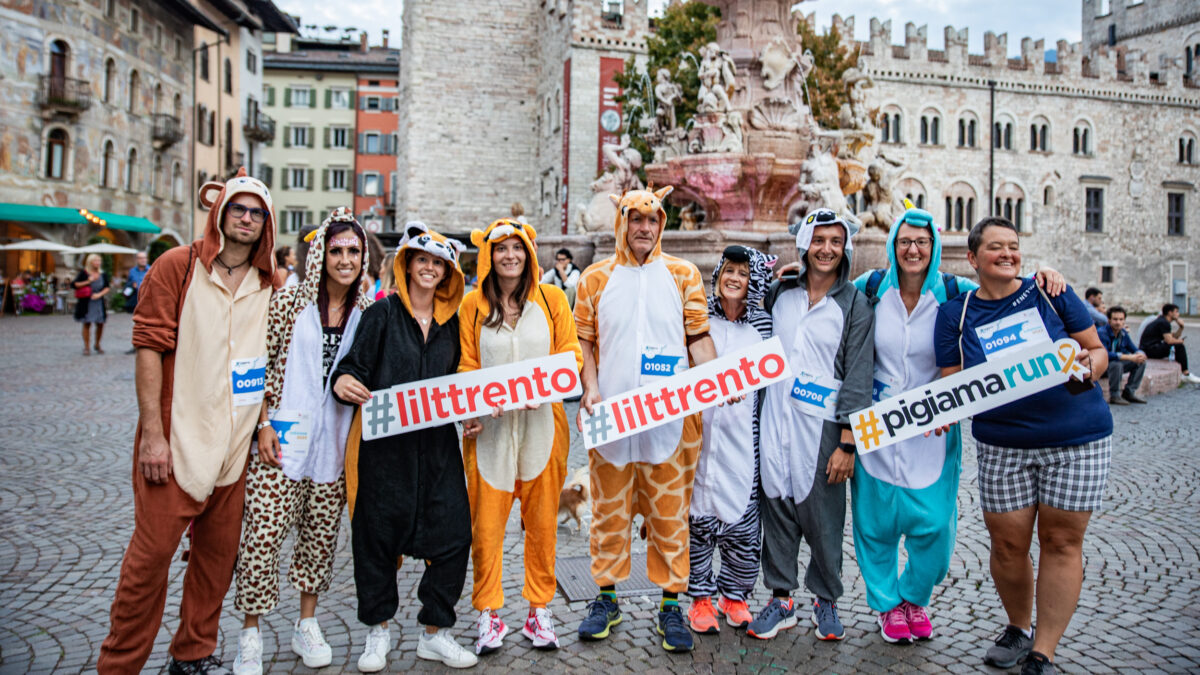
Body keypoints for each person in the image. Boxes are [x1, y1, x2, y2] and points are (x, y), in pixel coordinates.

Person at [850, 206, 1065, 645]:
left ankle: (914, 595)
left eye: (922, 242)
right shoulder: (870, 288)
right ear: (893, 245)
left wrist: (1043, 275)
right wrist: (793, 277)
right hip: (876, 423)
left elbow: (1000, 290)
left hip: (933, 422)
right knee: (874, 524)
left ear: (933, 247)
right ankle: (889, 606)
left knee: (934, 523)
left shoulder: (954, 291)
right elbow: (827, 291)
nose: (913, 249)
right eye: (905, 241)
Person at [97, 168, 278, 675]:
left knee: (216, 564)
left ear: (267, 224)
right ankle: (119, 665)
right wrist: (152, 437)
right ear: (220, 213)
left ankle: (193, 654)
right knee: (148, 564)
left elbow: (268, 361)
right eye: (238, 209)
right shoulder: (177, 266)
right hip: (175, 444)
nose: (246, 218)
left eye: (256, 212)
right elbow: (149, 346)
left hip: (234, 451)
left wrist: (263, 421)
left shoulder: (272, 283)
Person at [935, 216, 1112, 675]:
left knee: (1061, 541)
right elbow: (952, 384)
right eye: (995, 247)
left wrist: (1085, 370)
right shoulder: (955, 314)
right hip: (1003, 445)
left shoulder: (1050, 292)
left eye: (1013, 246)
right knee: (1008, 546)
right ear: (972, 258)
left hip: (1076, 438)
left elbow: (1096, 350)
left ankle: (1043, 651)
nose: (1007, 254)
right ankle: (1018, 626)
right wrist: (940, 413)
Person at [573, 186, 721, 654]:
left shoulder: (682, 274)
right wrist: (590, 387)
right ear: (621, 222)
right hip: (611, 419)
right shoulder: (595, 278)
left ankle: (671, 605)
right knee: (608, 512)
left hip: (668, 424)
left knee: (669, 514)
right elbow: (584, 342)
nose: (645, 228)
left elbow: (698, 336)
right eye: (635, 219)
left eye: (653, 220)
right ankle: (607, 597)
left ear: (661, 224)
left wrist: (718, 378)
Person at [331, 222, 477, 671]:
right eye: (423, 261)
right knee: (375, 539)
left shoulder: (453, 323)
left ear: (448, 271)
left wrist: (471, 410)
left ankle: (435, 631)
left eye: (438, 263)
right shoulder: (382, 314)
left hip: (436, 450)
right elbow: (351, 367)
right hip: (384, 452)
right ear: (407, 265)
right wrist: (346, 382)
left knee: (454, 536)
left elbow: (463, 381)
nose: (430, 268)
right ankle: (377, 632)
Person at [230, 208, 372, 675]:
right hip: (280, 439)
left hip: (335, 444)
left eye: (353, 250)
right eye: (336, 250)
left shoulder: (368, 314)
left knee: (319, 539)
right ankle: (250, 634)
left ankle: (305, 624)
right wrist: (261, 424)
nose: (345, 259)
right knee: (262, 536)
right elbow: (254, 364)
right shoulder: (289, 303)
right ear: (320, 256)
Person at [748, 208, 874, 643]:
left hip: (822, 426)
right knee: (777, 505)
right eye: (818, 241)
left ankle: (826, 599)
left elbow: (859, 374)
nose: (826, 250)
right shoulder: (780, 294)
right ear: (804, 245)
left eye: (835, 242)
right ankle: (780, 598)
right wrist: (777, 274)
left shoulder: (855, 304)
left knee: (823, 514)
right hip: (775, 415)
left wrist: (848, 442)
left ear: (846, 249)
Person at [458, 218, 583, 655]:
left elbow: (571, 352)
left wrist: (545, 386)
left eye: (516, 248)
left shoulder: (550, 299)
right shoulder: (472, 304)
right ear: (488, 256)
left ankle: (539, 610)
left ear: (529, 254)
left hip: (541, 429)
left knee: (543, 524)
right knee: (486, 528)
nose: (509, 255)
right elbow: (466, 363)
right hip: (489, 432)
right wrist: (471, 406)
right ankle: (488, 613)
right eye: (500, 249)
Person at [686, 245, 776, 636]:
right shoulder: (698, 315)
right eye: (728, 270)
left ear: (753, 278)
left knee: (742, 519)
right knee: (696, 517)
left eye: (742, 272)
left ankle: (734, 595)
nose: (734, 278)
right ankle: (701, 597)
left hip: (743, 435)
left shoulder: (764, 325)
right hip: (700, 434)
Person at [1097, 306, 1148, 405]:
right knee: (1116, 364)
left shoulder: (1123, 333)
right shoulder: (1102, 333)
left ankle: (1129, 392)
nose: (1118, 322)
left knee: (1140, 362)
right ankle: (1115, 395)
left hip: (1114, 365)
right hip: (1102, 366)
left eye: (1121, 319)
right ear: (1109, 320)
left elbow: (1133, 348)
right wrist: (1128, 357)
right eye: (1115, 319)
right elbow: (1104, 354)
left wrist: (1141, 354)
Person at [1140, 303, 1198, 383]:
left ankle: (1183, 373)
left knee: (1177, 345)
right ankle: (1186, 374)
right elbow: (1169, 341)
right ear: (1170, 313)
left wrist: (1181, 328)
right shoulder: (1164, 323)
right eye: (1176, 312)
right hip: (1150, 350)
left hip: (1150, 349)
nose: (1178, 314)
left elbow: (1173, 337)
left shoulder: (1162, 321)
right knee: (1179, 346)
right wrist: (1180, 341)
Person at [73, 253, 110, 355]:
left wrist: (100, 294)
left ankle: (97, 344)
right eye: (96, 261)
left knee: (100, 323)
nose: (98, 263)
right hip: (87, 302)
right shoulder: (84, 273)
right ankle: (87, 347)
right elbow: (75, 284)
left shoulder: (103, 274)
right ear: (90, 262)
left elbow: (107, 287)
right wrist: (87, 281)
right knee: (87, 323)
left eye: (99, 261)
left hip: (98, 302)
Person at [124, 252, 152, 354]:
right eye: (140, 258)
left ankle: (146, 344)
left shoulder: (151, 269)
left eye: (144, 258)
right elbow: (128, 284)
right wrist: (132, 285)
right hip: (136, 300)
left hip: (148, 301)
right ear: (137, 259)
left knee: (147, 324)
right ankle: (136, 344)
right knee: (136, 324)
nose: (143, 260)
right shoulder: (132, 271)